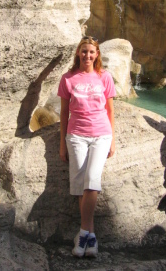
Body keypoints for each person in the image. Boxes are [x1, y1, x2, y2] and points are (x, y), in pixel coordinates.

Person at [58, 36, 116, 258]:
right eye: (84, 51)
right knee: (81, 182)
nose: (87, 55)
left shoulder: (105, 77)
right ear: (78, 53)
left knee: (92, 179)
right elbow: (64, 113)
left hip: (101, 134)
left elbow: (111, 111)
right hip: (76, 136)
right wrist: (63, 143)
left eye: (91, 52)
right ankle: (91, 237)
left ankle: (82, 232)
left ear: (97, 54)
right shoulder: (68, 78)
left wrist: (113, 139)